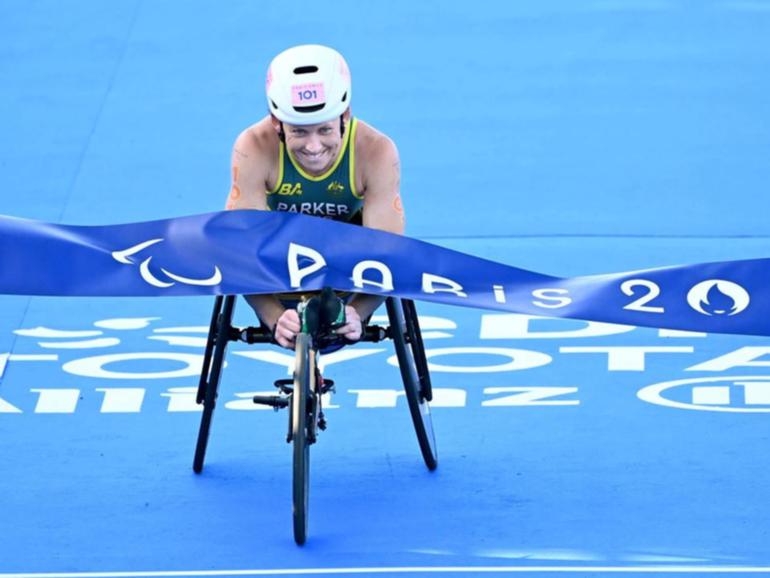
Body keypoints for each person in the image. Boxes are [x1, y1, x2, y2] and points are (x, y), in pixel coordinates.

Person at [225, 44, 404, 349]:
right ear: (276, 122)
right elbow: (239, 252)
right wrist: (272, 316)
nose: (313, 147)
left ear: (345, 116)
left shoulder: (375, 150)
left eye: (324, 130)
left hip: (348, 270)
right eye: (299, 132)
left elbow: (390, 255)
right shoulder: (253, 146)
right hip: (277, 269)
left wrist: (358, 313)